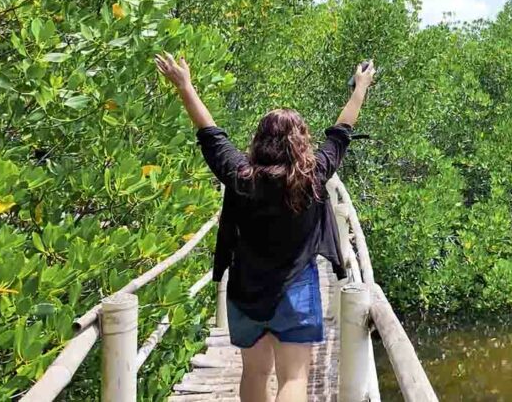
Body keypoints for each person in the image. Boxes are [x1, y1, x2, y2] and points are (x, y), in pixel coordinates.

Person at [155, 53, 376, 402]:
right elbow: (341, 133)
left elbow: (210, 134)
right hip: (298, 288)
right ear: (301, 141)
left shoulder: (240, 175)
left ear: (259, 140)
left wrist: (185, 86)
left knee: (255, 373)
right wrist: (360, 87)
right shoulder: (313, 175)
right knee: (293, 378)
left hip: (246, 289)